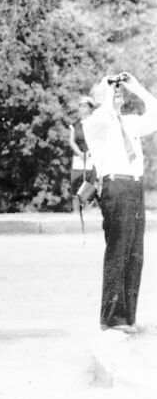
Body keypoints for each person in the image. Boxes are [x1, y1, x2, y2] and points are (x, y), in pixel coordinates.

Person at [81, 71, 155, 333]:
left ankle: (128, 317)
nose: (116, 90)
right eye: (110, 87)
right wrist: (107, 94)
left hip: (135, 188)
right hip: (116, 187)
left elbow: (155, 114)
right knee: (118, 251)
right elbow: (103, 115)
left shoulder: (130, 122)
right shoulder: (95, 124)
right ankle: (111, 319)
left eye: (117, 87)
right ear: (98, 98)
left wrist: (136, 88)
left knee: (135, 255)